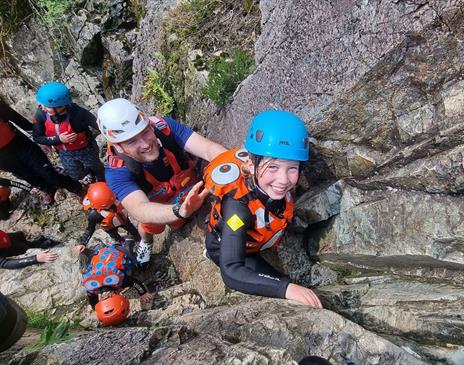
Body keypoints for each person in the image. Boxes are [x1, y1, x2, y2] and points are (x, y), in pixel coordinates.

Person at [203, 110, 322, 308]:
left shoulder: (270, 183)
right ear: (250, 164)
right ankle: (212, 252)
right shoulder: (237, 209)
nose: (283, 180)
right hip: (233, 246)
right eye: (273, 167)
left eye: (292, 168)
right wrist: (286, 288)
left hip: (261, 235)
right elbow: (231, 270)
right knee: (282, 289)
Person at [97, 98, 226, 266]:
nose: (145, 144)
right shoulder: (116, 172)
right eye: (132, 141)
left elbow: (208, 149)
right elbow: (140, 209)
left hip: (188, 183)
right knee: (149, 227)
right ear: (119, 147)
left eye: (145, 132)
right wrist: (180, 211)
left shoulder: (163, 127)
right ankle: (146, 242)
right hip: (160, 206)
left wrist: (235, 163)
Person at [0, 101, 83, 205]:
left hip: (20, 144)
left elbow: (18, 119)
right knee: (27, 175)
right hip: (3, 159)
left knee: (48, 172)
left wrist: (39, 138)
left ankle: (76, 188)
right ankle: (46, 189)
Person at [33, 82, 105, 183]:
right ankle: (88, 173)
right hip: (65, 153)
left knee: (96, 166)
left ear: (60, 106)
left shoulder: (77, 112)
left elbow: (97, 124)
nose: (43, 108)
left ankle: (101, 179)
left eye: (46, 106)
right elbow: (37, 137)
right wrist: (59, 139)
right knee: (76, 175)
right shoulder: (41, 114)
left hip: (87, 149)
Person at [80, 242, 152, 326]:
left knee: (136, 266)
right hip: (100, 257)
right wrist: (96, 309)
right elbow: (94, 303)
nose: (105, 296)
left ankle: (128, 244)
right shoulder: (92, 289)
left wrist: (143, 293)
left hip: (117, 250)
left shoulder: (119, 281)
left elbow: (136, 283)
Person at [74, 182, 140, 253]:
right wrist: (82, 243)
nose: (112, 206)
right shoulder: (94, 214)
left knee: (132, 229)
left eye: (113, 201)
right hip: (110, 227)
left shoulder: (113, 193)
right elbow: (90, 229)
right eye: (108, 205)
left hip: (123, 219)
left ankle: (137, 237)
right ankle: (122, 242)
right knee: (115, 236)